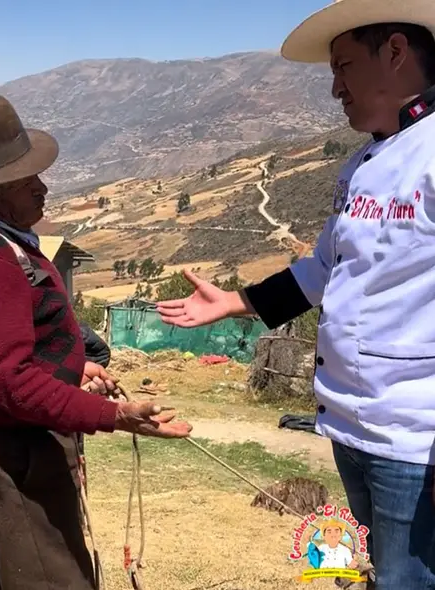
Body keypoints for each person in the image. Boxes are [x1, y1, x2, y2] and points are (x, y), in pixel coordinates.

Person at [157, 3, 435, 587]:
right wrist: (235, 302)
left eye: (344, 67)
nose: (334, 88)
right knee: (384, 573)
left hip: (416, 440)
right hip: (353, 427)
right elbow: (323, 270)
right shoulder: (363, 162)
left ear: (395, 52)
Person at [0, 93, 192, 590]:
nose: (43, 187)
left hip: (3, 446)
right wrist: (114, 417)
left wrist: (71, 369)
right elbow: (10, 382)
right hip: (13, 455)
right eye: (24, 180)